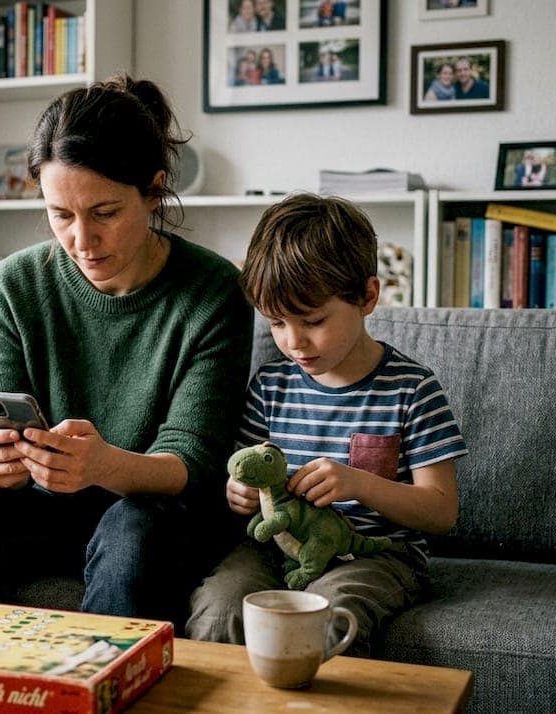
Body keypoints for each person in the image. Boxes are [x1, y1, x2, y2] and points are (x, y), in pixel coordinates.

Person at [0, 75, 254, 630]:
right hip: (44, 507)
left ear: (153, 190)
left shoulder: (213, 291)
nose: (81, 241)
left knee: (133, 529)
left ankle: (102, 692)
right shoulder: (15, 285)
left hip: (157, 511)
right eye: (61, 215)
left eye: (104, 213)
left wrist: (101, 465)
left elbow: (193, 462)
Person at [185, 193, 468, 654]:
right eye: (276, 323)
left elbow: (441, 511)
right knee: (219, 610)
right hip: (274, 546)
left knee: (330, 615)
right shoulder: (271, 385)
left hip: (376, 556)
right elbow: (244, 469)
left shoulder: (412, 389)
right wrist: (236, 493)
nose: (293, 341)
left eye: (313, 320)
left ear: (368, 297)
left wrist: (360, 483)